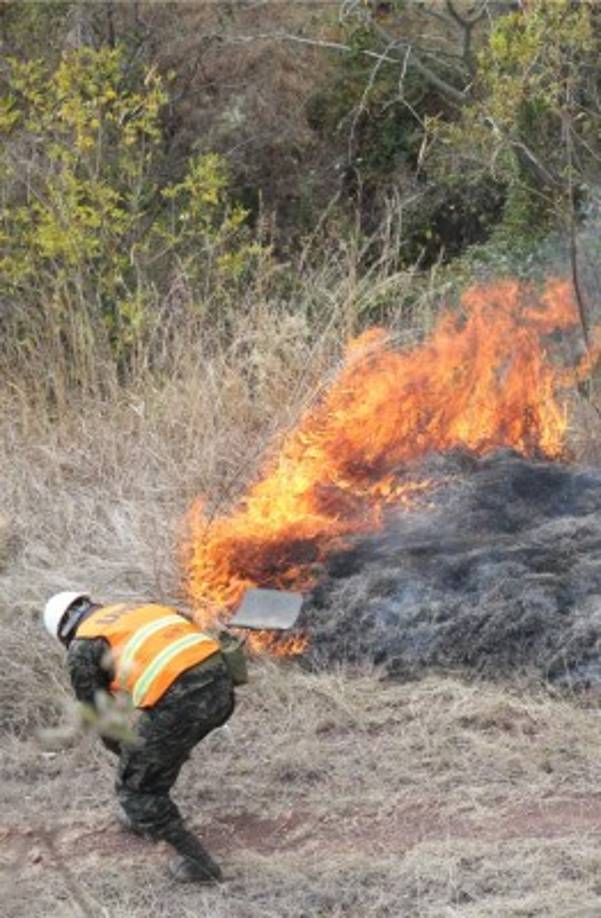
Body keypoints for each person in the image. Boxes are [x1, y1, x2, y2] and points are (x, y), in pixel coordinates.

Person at [42, 590, 238, 884]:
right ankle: (147, 804)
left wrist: (128, 760)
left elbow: (103, 720)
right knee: (155, 752)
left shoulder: (82, 646)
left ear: (62, 633)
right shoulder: (139, 609)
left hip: (181, 702)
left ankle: (199, 865)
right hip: (222, 691)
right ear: (88, 603)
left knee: (136, 790)